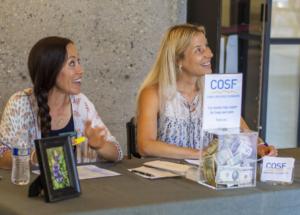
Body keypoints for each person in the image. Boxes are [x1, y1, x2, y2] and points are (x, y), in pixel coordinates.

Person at [136, 24, 277, 159]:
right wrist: (197, 154)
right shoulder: (153, 93)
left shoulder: (215, 92)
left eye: (207, 47)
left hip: (205, 177)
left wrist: (260, 146)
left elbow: (243, 133)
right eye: (199, 50)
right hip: (164, 180)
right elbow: (145, 146)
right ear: (178, 59)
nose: (210, 54)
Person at [0, 36, 123, 169]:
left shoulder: (82, 103)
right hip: (30, 188)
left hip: (82, 187)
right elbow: (2, 155)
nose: (80, 70)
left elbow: (117, 152)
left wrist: (101, 146)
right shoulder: (20, 103)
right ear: (50, 69)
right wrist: (36, 158)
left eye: (78, 62)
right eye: (72, 63)